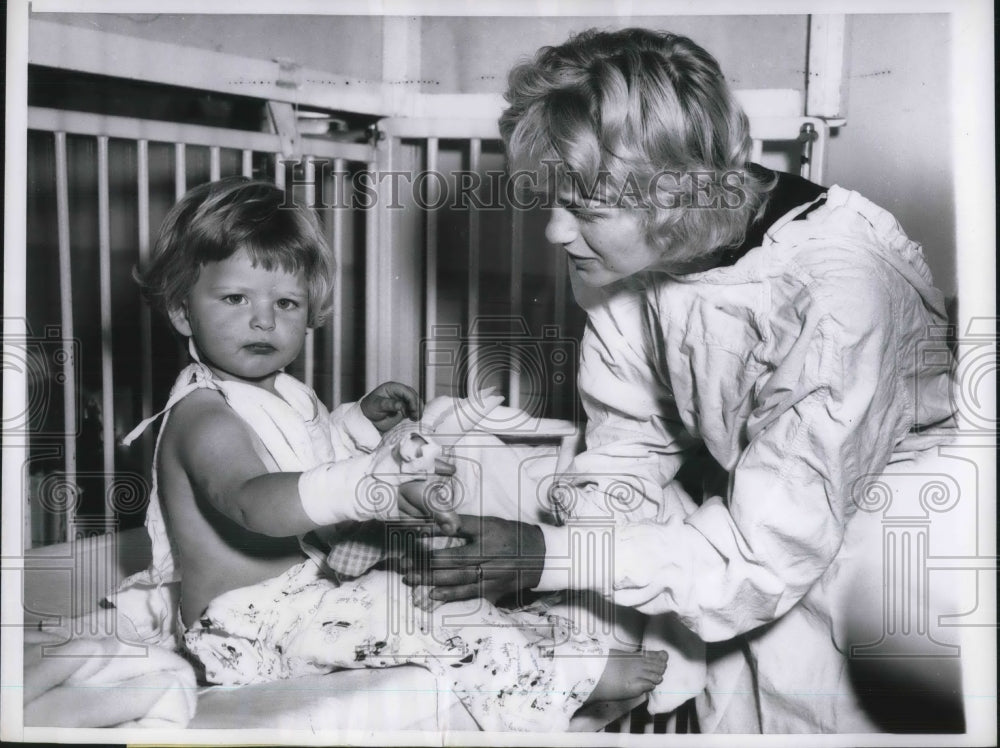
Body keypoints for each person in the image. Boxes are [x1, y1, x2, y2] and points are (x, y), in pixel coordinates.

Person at [405, 28, 957, 733]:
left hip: (885, 543)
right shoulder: (630, 258)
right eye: (551, 202)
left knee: (817, 710)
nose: (553, 234)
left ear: (672, 198)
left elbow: (762, 557)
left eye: (583, 212)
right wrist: (571, 586)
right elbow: (629, 437)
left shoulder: (836, 295)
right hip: (750, 525)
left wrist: (548, 557)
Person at [121, 176, 667, 732]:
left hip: (307, 598)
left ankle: (541, 647)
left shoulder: (278, 390)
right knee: (403, 610)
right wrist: (363, 482)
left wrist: (356, 424)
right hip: (245, 628)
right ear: (183, 312)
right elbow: (253, 501)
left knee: (424, 589)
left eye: (286, 302)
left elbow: (300, 454)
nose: (265, 319)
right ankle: (559, 676)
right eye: (236, 298)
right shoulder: (201, 416)